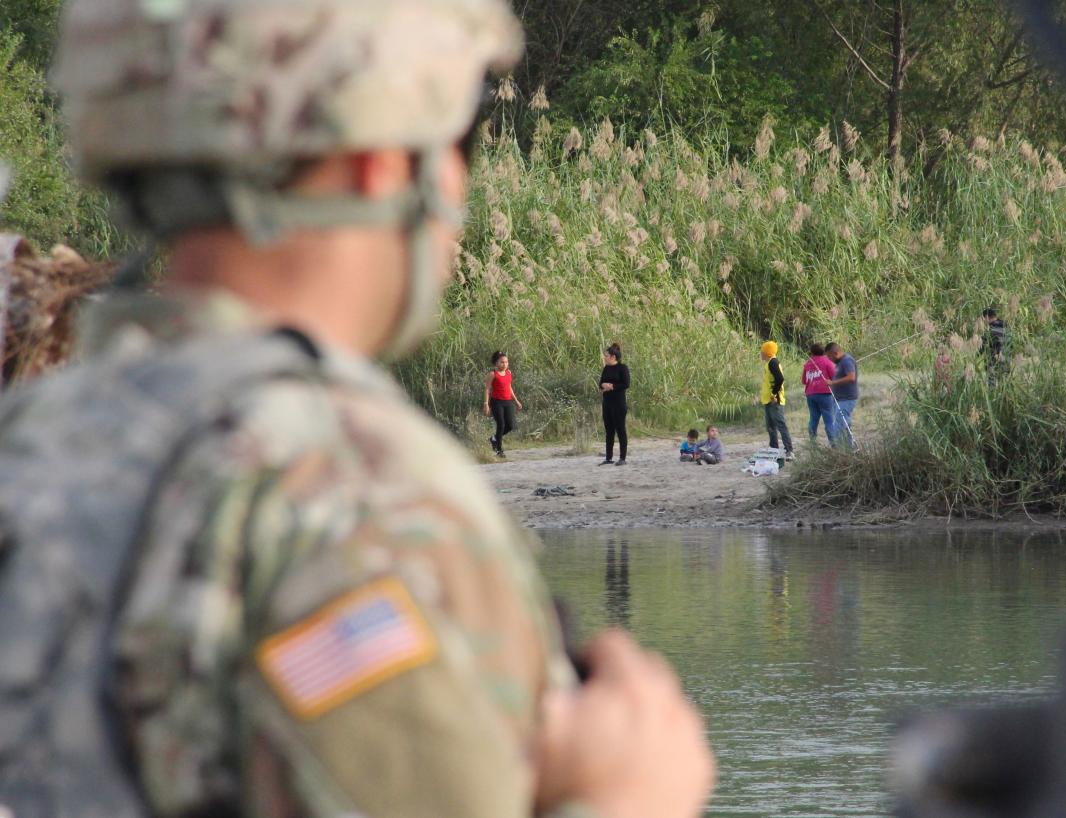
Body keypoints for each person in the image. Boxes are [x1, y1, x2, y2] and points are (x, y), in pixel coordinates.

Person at [0, 4, 715, 818]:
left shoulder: (32, 438)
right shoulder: (354, 488)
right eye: (460, 136)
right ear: (377, 162)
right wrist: (628, 794)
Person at [484, 350, 522, 458]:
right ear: (496, 363)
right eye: (502, 362)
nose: (504, 364)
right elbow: (487, 389)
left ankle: (494, 439)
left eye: (506, 362)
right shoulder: (492, 374)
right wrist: (486, 404)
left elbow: (509, 388)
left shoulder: (509, 373)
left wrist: (516, 401)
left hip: (508, 402)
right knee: (501, 424)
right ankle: (499, 450)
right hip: (496, 403)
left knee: (510, 425)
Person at [760, 340, 794, 457]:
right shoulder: (769, 362)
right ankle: (773, 450)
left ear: (767, 353)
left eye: (762, 351)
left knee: (780, 425)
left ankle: (789, 450)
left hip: (774, 400)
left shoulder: (773, 362)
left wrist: (774, 394)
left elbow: (780, 379)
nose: (761, 353)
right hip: (768, 401)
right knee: (770, 427)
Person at [599, 342, 630, 466]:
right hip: (607, 403)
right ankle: (608, 457)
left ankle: (622, 458)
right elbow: (600, 383)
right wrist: (603, 385)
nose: (604, 357)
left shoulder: (622, 368)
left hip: (619, 404)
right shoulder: (606, 368)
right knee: (609, 431)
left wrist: (612, 386)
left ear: (613, 357)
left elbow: (626, 384)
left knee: (620, 430)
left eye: (606, 355)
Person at [801, 342, 838, 444]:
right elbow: (835, 376)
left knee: (813, 419)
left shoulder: (808, 363)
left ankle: (812, 443)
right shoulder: (827, 362)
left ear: (812, 352)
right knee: (829, 420)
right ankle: (834, 444)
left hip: (810, 394)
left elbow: (804, 381)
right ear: (824, 351)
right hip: (825, 394)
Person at [826, 342, 860, 448]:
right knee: (845, 425)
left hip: (847, 399)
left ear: (835, 353)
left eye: (829, 356)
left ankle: (840, 451)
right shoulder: (840, 363)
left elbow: (851, 377)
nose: (829, 359)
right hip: (839, 399)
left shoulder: (847, 361)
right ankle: (851, 449)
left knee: (838, 426)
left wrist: (833, 383)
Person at [980, 307, 1010, 376]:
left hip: (993, 363)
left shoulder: (991, 330)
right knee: (1004, 383)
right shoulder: (1007, 328)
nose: (984, 321)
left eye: (983, 319)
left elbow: (981, 346)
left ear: (987, 317)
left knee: (992, 384)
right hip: (1006, 361)